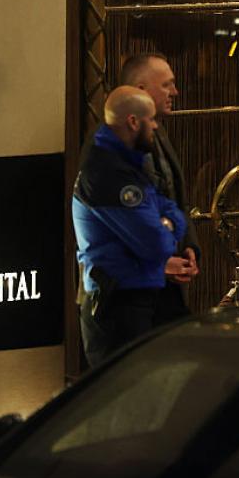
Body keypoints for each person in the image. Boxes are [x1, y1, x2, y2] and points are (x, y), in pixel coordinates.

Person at [72, 86, 191, 366]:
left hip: (134, 300)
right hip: (116, 307)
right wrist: (166, 226)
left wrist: (166, 221)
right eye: (152, 120)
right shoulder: (108, 172)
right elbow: (156, 244)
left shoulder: (125, 160)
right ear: (133, 122)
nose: (156, 127)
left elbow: (170, 210)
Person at [120, 53, 201, 309]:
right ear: (140, 90)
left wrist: (188, 247)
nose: (174, 92)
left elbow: (175, 197)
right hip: (130, 296)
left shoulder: (157, 131)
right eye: (166, 84)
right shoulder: (112, 143)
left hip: (166, 288)